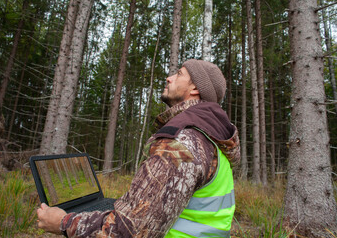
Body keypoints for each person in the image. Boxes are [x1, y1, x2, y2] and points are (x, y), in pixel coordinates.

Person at [37, 59, 240, 238]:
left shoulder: (180, 142)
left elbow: (129, 232)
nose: (169, 78)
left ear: (195, 88)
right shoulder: (212, 140)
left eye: (179, 74)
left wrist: (64, 223)